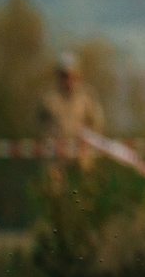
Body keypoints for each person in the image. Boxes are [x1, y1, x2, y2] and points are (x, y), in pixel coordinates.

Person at [36, 52, 104, 185]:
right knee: (53, 188)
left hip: (81, 155)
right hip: (55, 156)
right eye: (64, 75)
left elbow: (97, 122)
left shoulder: (87, 97)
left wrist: (89, 139)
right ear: (58, 75)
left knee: (84, 187)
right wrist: (47, 139)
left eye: (72, 75)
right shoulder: (48, 98)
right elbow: (37, 123)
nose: (68, 79)